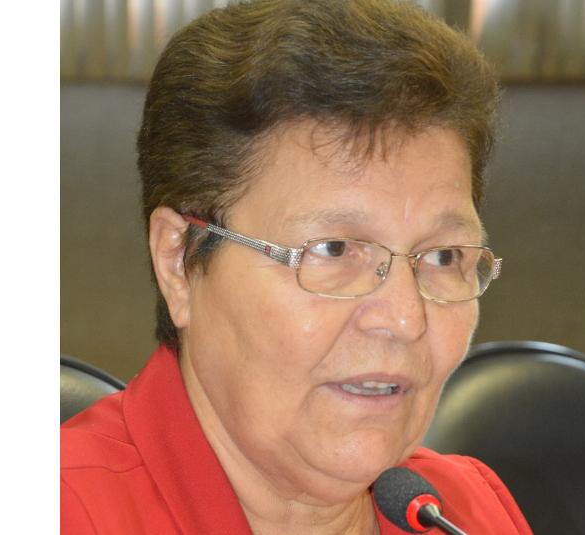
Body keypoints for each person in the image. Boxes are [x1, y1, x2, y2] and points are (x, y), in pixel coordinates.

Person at [61, 0, 531, 533]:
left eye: (444, 257)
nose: (405, 319)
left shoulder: (468, 510)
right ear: (179, 260)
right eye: (334, 249)